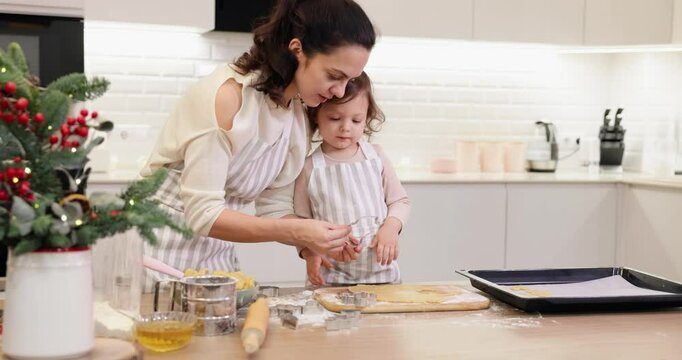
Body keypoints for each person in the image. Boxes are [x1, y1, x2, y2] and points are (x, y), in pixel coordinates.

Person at [139, 0, 376, 290]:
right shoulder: (227, 99)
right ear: (297, 49)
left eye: (349, 80)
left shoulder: (296, 114)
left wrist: (310, 245)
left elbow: (274, 204)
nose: (339, 91)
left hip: (216, 260)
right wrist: (298, 230)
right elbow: (204, 214)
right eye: (334, 76)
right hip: (157, 255)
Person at [294, 72, 411, 285]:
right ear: (315, 116)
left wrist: (391, 229)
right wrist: (310, 254)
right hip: (331, 278)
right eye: (335, 118)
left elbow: (400, 202)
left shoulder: (376, 156)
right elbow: (301, 223)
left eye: (356, 120)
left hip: (382, 275)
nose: (346, 127)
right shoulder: (309, 167)